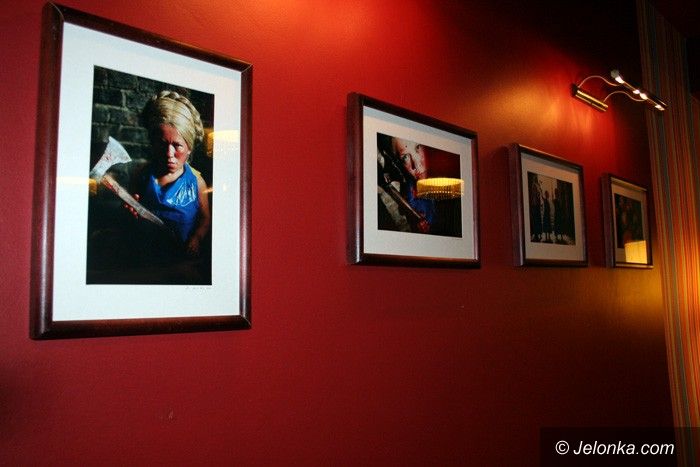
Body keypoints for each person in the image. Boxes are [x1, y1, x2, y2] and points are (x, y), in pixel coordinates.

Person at [126, 90, 211, 258]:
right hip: (145, 258)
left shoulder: (197, 182)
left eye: (177, 145)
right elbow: (128, 222)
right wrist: (128, 214)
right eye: (162, 144)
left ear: (189, 147)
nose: (168, 153)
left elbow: (205, 219)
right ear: (153, 142)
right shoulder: (141, 175)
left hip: (180, 260)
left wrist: (197, 238)